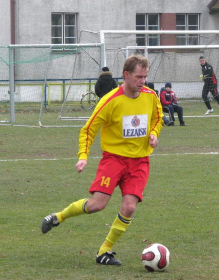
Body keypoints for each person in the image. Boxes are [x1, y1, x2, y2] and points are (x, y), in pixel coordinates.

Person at [40, 55, 163, 266]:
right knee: (98, 205)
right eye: (138, 77)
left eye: (145, 77)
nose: (142, 81)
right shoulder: (110, 101)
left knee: (130, 207)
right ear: (126, 75)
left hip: (140, 161)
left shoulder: (151, 96)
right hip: (114, 160)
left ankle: (104, 251)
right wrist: (83, 156)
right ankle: (58, 217)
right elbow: (88, 129)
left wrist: (153, 133)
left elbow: (157, 118)